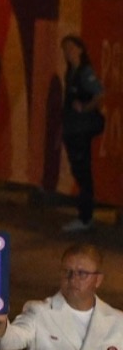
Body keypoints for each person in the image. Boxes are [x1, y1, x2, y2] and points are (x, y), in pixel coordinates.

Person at [60, 36, 105, 233]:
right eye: (65, 49)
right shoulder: (71, 72)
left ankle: (85, 217)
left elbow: (99, 94)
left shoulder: (84, 72)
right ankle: (85, 215)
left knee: (83, 172)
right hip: (73, 128)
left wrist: (85, 108)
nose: (67, 52)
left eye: (71, 48)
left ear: (80, 49)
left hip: (81, 129)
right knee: (79, 171)